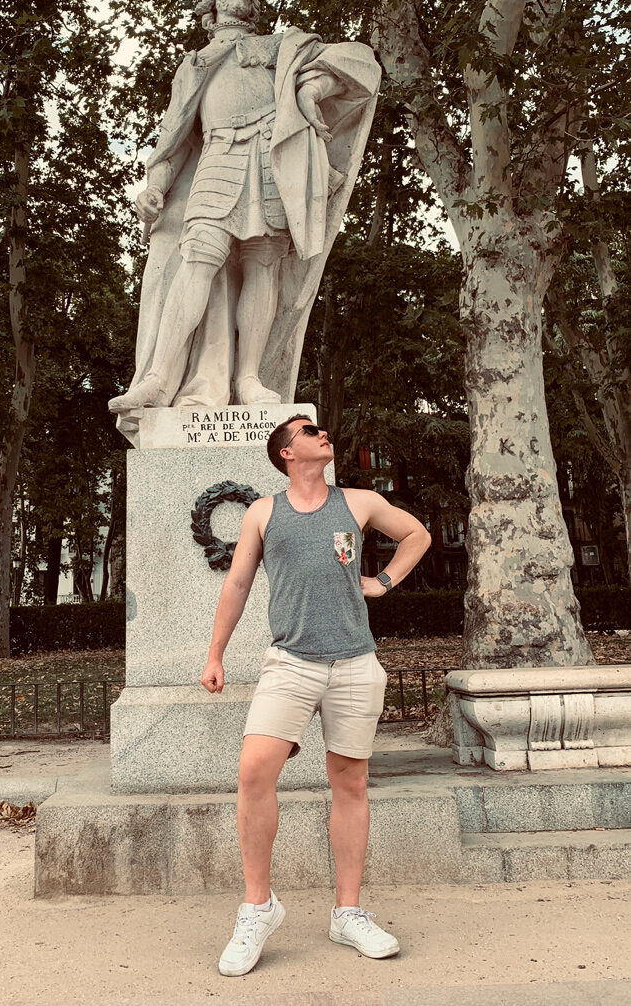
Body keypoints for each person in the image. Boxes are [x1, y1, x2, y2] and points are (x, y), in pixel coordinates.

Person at [200, 414, 432, 976]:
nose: (324, 433)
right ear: (286, 452)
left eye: (322, 429)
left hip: (355, 663)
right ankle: (258, 908)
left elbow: (418, 535)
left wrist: (383, 582)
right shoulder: (263, 512)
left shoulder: (358, 502)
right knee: (255, 769)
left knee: (349, 782)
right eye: (310, 430)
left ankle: (348, 913)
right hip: (291, 662)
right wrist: (215, 653)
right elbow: (237, 583)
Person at [109, 0, 380, 441]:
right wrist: (156, 186)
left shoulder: (280, 47)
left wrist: (311, 88)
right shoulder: (194, 64)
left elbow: (356, 62)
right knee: (198, 257)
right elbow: (173, 137)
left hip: (270, 159)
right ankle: (158, 379)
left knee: (263, 264)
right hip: (217, 156)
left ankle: (249, 379)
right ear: (211, 1)